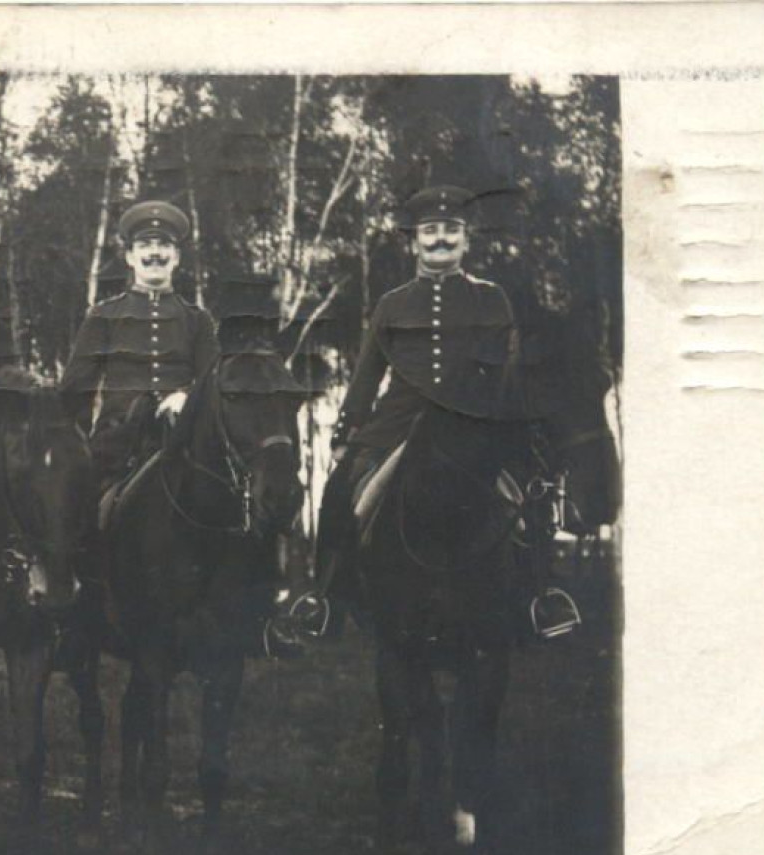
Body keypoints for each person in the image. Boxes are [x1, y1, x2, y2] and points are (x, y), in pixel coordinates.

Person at [287, 184, 580, 641]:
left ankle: (541, 597)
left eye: (450, 230)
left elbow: (509, 371)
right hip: (398, 427)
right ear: (413, 241)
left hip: (475, 426)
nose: (439, 239)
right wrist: (347, 434)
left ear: (466, 240)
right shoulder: (393, 304)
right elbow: (366, 376)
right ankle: (325, 601)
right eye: (429, 231)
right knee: (341, 493)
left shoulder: (491, 300)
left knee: (529, 497)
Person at [60, 199, 219, 491]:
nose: (155, 253)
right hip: (115, 449)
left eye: (163, 245)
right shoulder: (103, 316)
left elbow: (213, 383)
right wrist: (78, 451)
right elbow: (75, 390)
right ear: (130, 257)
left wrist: (185, 395)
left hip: (183, 444)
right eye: (145, 245)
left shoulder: (198, 320)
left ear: (176, 257)